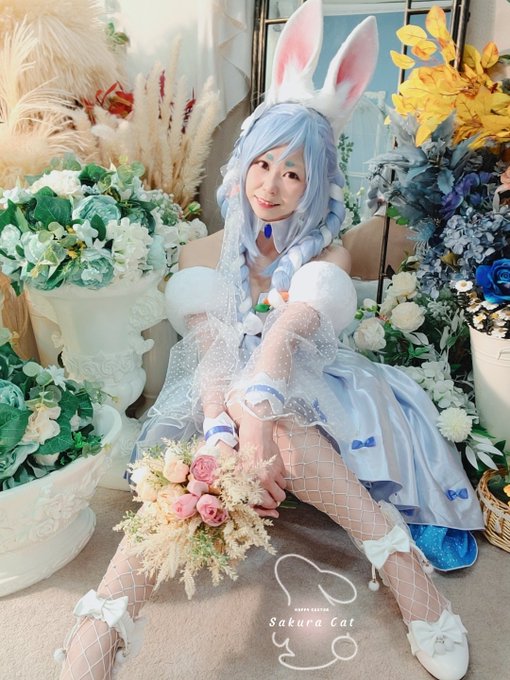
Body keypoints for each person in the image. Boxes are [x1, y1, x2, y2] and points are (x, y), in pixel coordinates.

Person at [55, 2, 483, 679]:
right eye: (263, 164)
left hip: (319, 389)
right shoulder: (205, 252)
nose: (272, 186)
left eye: (293, 173)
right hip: (217, 391)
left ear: (314, 187)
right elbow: (210, 354)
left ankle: (408, 578)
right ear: (243, 164)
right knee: (199, 451)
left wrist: (257, 414)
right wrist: (227, 424)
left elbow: (286, 342)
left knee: (281, 417)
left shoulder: (326, 255)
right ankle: (104, 624)